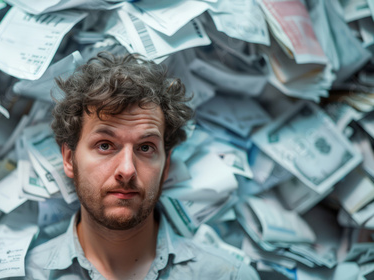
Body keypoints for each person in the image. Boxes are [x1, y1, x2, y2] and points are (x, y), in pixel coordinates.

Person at [25, 52, 260, 280]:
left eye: (146, 148)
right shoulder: (26, 275)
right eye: (105, 145)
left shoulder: (230, 275)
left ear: (166, 166)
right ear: (69, 159)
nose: (127, 170)